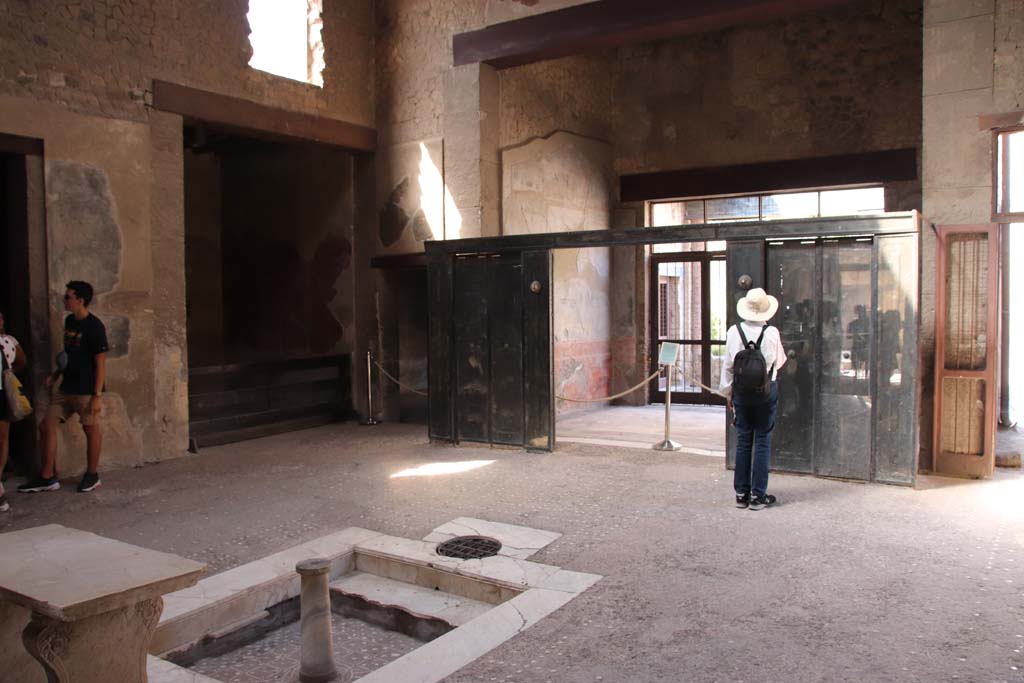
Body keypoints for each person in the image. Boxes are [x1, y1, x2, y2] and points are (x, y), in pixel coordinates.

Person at [19, 281, 108, 494]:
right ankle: (48, 476)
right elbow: (69, 354)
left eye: (68, 297)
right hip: (66, 387)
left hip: (86, 389)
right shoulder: (69, 321)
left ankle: (92, 474)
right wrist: (56, 374)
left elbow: (101, 363)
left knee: (90, 428)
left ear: (80, 300)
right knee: (46, 425)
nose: (64, 300)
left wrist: (97, 395)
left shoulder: (94, 327)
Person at [720, 288, 787, 511]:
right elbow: (779, 363)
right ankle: (758, 495)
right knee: (762, 440)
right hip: (766, 393)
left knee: (743, 440)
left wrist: (728, 394)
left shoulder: (733, 331)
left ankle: (741, 493)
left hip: (740, 394)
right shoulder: (772, 333)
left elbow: (728, 367)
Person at [0, 310, 28, 512]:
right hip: (2, 392)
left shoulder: (9, 341)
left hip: (2, 393)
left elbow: (22, 361)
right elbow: (21, 362)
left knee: (3, 438)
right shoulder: (10, 341)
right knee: (2, 439)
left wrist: (7, 375)